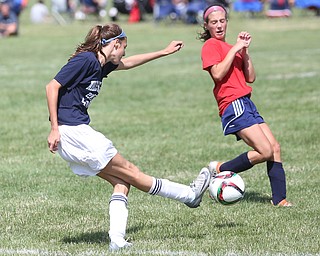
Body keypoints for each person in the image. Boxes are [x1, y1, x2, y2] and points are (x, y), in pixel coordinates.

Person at [46, 23, 211, 251]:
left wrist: (163, 52)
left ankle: (117, 240)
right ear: (114, 44)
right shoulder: (87, 60)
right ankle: (189, 195)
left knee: (121, 182)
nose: (124, 52)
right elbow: (52, 86)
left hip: (72, 136)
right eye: (124, 47)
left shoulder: (101, 64)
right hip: (74, 133)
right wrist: (54, 128)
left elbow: (128, 63)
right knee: (133, 173)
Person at [199, 4, 292, 207]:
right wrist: (235, 48)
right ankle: (221, 168)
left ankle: (280, 200)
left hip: (246, 102)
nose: (219, 25)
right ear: (206, 25)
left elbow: (251, 77)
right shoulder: (210, 46)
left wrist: (245, 51)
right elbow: (217, 73)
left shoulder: (234, 48)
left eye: (222, 21)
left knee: (274, 147)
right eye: (214, 22)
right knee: (264, 151)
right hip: (233, 104)